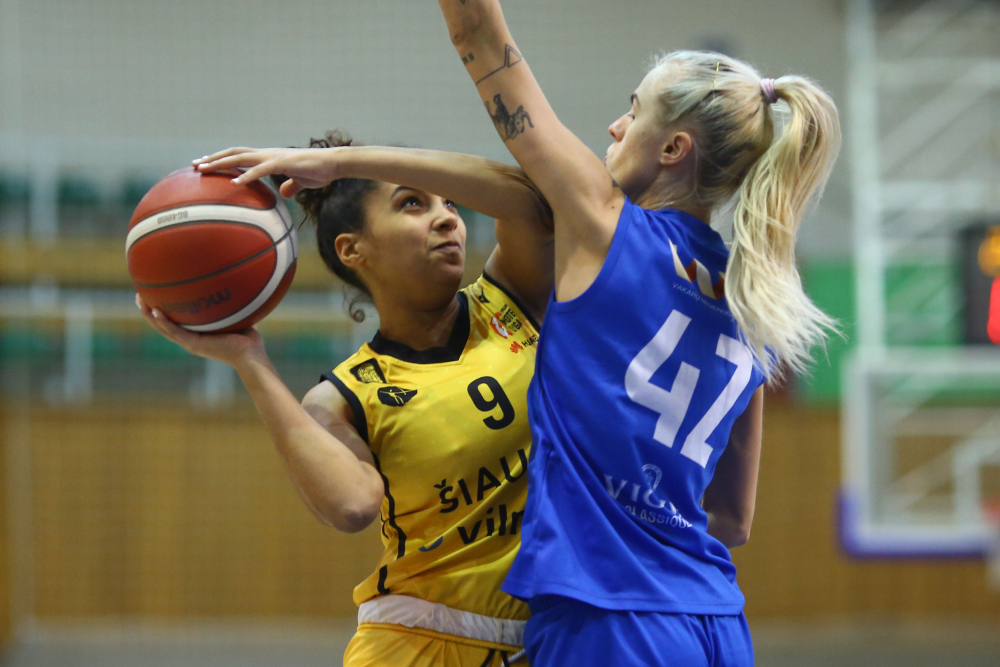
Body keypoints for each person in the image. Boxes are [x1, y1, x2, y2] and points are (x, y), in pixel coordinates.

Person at [434, 3, 842, 666]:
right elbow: (733, 519)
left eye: (633, 111)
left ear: (673, 148)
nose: (615, 126)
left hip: (610, 614)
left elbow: (477, 31)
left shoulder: (605, 224)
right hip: (716, 622)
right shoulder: (756, 298)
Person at [141, 132, 554, 666]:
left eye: (449, 203)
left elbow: (529, 199)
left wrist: (338, 162)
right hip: (419, 645)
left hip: (552, 639)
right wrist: (249, 359)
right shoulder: (344, 397)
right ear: (352, 249)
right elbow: (352, 505)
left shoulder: (510, 299)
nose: (448, 219)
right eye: (412, 203)